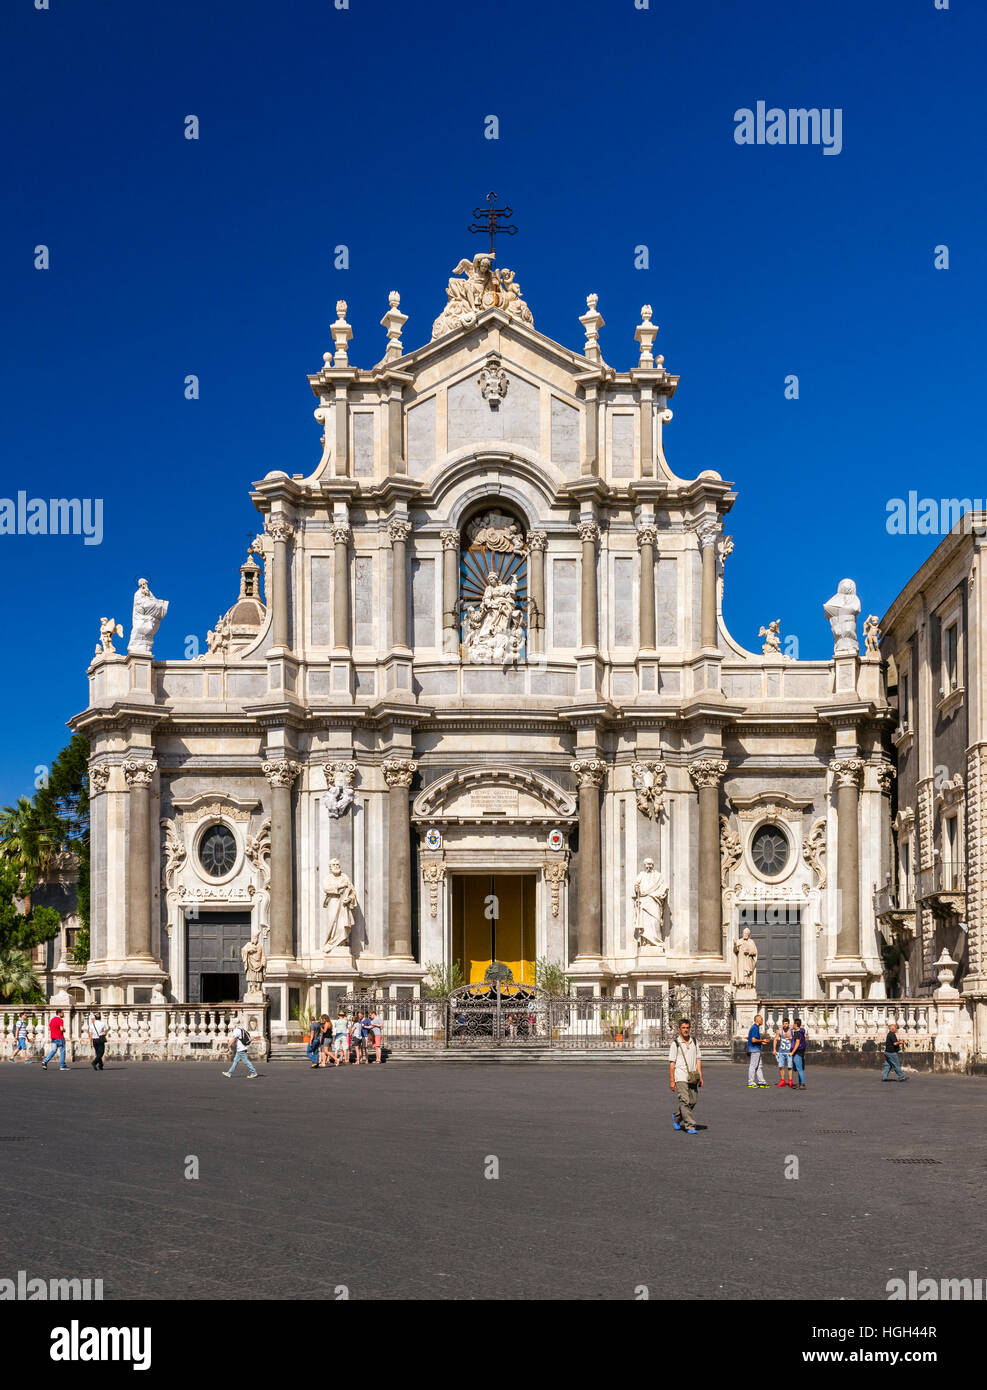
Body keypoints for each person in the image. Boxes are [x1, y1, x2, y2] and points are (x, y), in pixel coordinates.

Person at [668, 1018, 703, 1133]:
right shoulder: (675, 1044)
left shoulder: (694, 1041)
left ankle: (677, 1117)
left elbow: (698, 1059)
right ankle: (690, 1125)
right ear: (679, 1029)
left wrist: (700, 1076)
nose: (685, 1030)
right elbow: (672, 1063)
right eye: (683, 1028)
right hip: (681, 1076)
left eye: (687, 1028)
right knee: (685, 1100)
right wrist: (672, 1080)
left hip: (693, 1076)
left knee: (693, 1101)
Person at [746, 1014, 769, 1088]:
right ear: (758, 1020)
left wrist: (762, 1042)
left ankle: (761, 1081)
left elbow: (755, 1040)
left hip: (756, 1049)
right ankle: (751, 1082)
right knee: (753, 1066)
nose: (762, 1020)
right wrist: (762, 1040)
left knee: (759, 1066)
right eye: (761, 1019)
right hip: (754, 1049)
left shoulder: (755, 1027)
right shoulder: (755, 1028)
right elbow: (753, 1040)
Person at [773, 1017, 795, 1086]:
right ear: (782, 1024)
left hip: (789, 1052)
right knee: (781, 1066)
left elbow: (796, 1040)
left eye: (786, 1024)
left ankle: (790, 1081)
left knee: (789, 1067)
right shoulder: (779, 1031)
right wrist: (774, 1049)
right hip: (781, 1052)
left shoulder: (792, 1031)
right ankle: (782, 1080)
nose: (785, 1025)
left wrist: (791, 1038)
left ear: (788, 1024)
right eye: (784, 1024)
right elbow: (775, 1040)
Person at [791, 1016, 807, 1088]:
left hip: (797, 1052)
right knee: (799, 1068)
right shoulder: (801, 1032)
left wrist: (792, 1052)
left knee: (799, 1068)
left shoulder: (797, 1033)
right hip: (801, 1051)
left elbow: (797, 1043)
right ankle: (800, 1083)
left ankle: (802, 1084)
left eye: (793, 1024)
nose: (792, 1025)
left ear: (795, 1025)